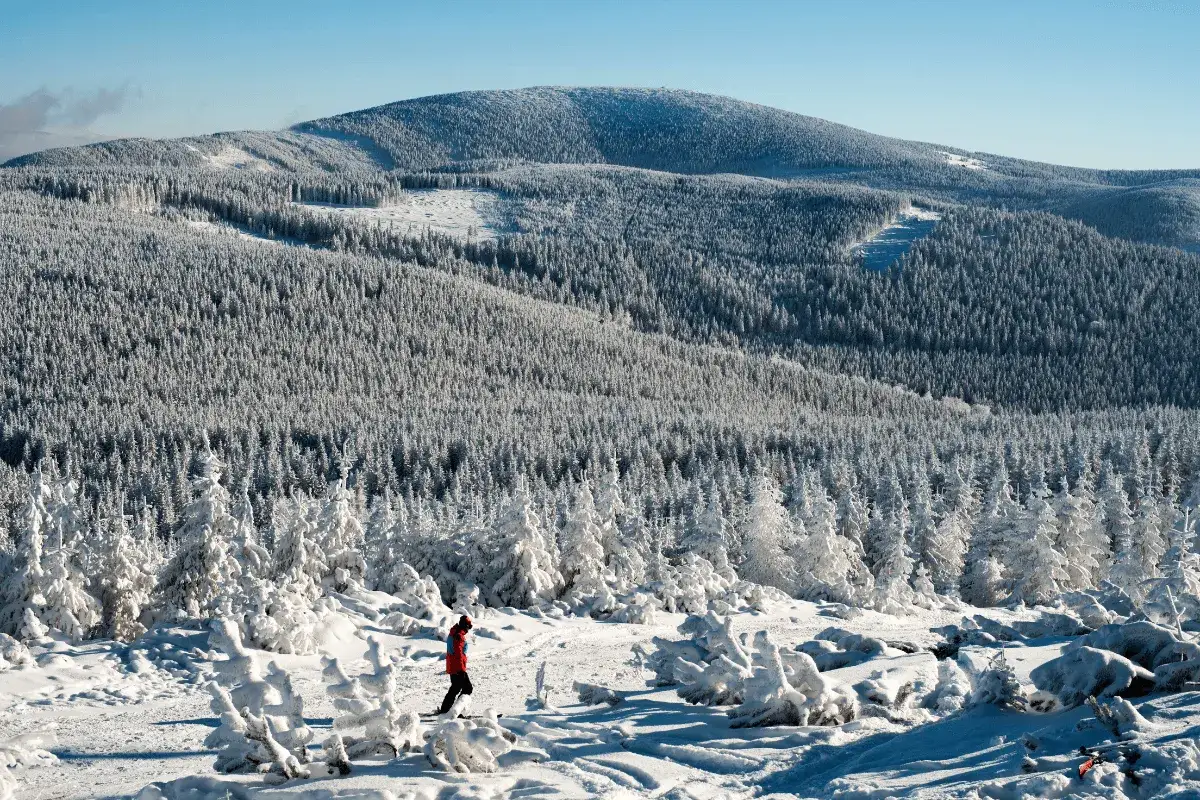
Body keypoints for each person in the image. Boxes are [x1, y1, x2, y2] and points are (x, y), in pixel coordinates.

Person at [438, 615, 473, 715]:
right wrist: (461, 670)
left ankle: (445, 709)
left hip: (453, 666)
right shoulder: (458, 636)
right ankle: (456, 711)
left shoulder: (455, 633)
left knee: (455, 688)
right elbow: (459, 655)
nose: (469, 629)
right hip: (457, 667)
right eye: (469, 626)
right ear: (464, 626)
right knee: (467, 688)